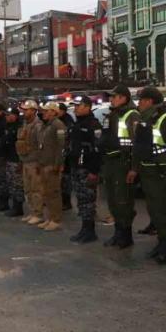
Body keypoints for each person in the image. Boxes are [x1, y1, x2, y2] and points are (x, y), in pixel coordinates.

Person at [128, 86, 166, 264]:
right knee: (154, 209)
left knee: (163, 210)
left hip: (160, 172)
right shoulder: (145, 118)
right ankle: (161, 242)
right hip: (148, 171)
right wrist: (135, 168)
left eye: (141, 100)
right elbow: (139, 147)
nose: (138, 103)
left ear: (149, 101)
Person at [98, 84, 140, 249]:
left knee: (123, 201)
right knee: (112, 200)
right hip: (110, 162)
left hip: (123, 162)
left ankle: (126, 235)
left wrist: (134, 168)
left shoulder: (132, 115)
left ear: (124, 98)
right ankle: (118, 233)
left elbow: (136, 144)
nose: (111, 99)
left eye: (114, 96)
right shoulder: (113, 114)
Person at [68, 96, 102, 243]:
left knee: (88, 200)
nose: (75, 108)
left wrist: (94, 171)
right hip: (77, 166)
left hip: (87, 168)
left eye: (79, 106)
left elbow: (97, 150)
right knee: (81, 199)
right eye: (74, 106)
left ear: (88, 107)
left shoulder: (93, 125)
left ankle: (90, 231)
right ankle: (84, 228)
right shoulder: (77, 124)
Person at [36, 102, 67, 231]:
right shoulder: (45, 125)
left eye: (47, 110)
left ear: (54, 112)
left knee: (53, 193)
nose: (44, 113)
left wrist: (58, 164)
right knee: (46, 193)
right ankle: (49, 217)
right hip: (44, 163)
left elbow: (61, 147)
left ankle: (56, 219)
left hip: (52, 164)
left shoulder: (58, 125)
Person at [17, 100, 44, 225]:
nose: (24, 112)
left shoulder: (38, 126)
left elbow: (41, 146)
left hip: (34, 162)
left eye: (26, 110)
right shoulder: (25, 124)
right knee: (28, 189)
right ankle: (32, 212)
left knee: (36, 189)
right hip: (26, 161)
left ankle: (38, 214)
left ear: (33, 111)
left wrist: (40, 163)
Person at [3, 107, 25, 217]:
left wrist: (21, 161)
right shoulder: (8, 126)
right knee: (11, 184)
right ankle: (14, 206)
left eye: (9, 115)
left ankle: (18, 207)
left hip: (16, 159)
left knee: (17, 185)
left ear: (15, 116)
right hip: (9, 158)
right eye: (6, 115)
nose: (7, 117)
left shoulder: (19, 127)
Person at [58, 102, 75, 211]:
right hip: (62, 155)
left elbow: (66, 141)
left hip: (66, 157)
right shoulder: (61, 121)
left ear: (63, 111)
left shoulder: (67, 122)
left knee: (65, 181)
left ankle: (66, 202)